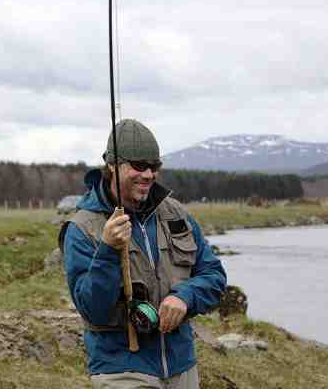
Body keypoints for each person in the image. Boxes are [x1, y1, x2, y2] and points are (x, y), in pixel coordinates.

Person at [59, 119, 227, 389]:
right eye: (138, 165)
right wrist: (108, 251)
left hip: (182, 366)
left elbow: (214, 276)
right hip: (121, 370)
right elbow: (93, 311)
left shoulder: (176, 213)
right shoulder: (81, 228)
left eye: (154, 166)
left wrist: (185, 297)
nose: (148, 174)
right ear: (112, 165)